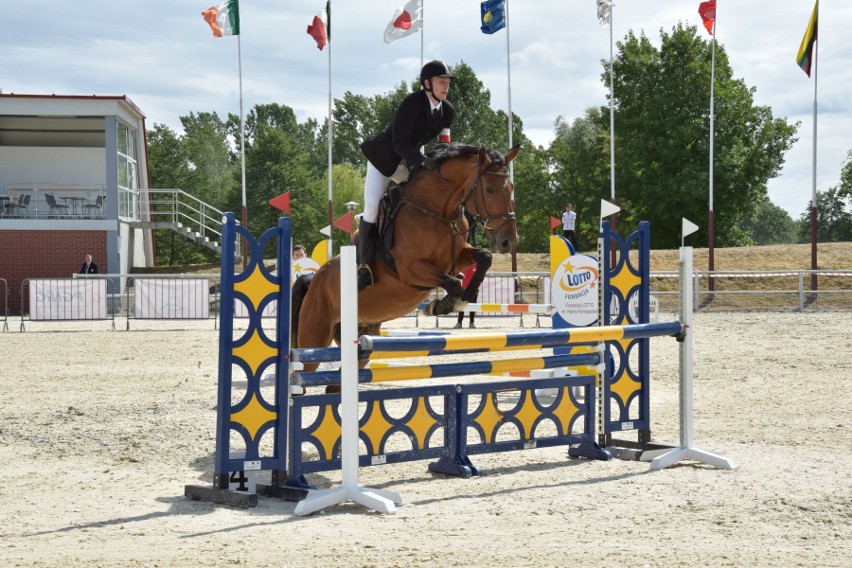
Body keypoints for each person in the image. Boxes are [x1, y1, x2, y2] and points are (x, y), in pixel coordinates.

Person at [356, 59, 455, 291]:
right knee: (371, 207)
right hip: (384, 159)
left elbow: (444, 144)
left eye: (447, 82)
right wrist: (422, 163)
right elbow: (399, 142)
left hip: (409, 161)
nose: (446, 86)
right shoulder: (411, 104)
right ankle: (363, 267)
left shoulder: (446, 110)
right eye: (441, 81)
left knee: (429, 198)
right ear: (427, 84)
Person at [454, 264, 478, 329]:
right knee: (461, 307)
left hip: (474, 289)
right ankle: (459, 323)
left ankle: (472, 323)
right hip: (464, 289)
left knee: (473, 307)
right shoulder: (464, 265)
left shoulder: (477, 265)